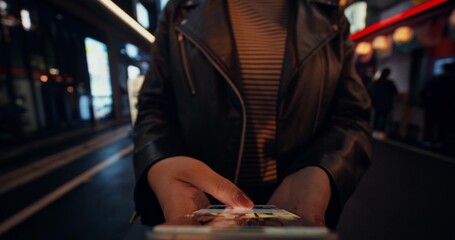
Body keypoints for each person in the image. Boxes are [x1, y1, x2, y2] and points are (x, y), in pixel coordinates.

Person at [133, 0, 372, 229]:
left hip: (296, 208)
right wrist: (161, 163)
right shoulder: (179, 10)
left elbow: (351, 114)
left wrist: (322, 170)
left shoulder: (330, 14)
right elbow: (153, 107)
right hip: (204, 207)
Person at [371, 68, 397, 139]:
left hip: (377, 102)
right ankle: (381, 131)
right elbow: (395, 91)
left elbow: (372, 91)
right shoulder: (389, 83)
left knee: (377, 117)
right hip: (386, 102)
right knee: (384, 118)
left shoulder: (377, 82)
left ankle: (375, 130)